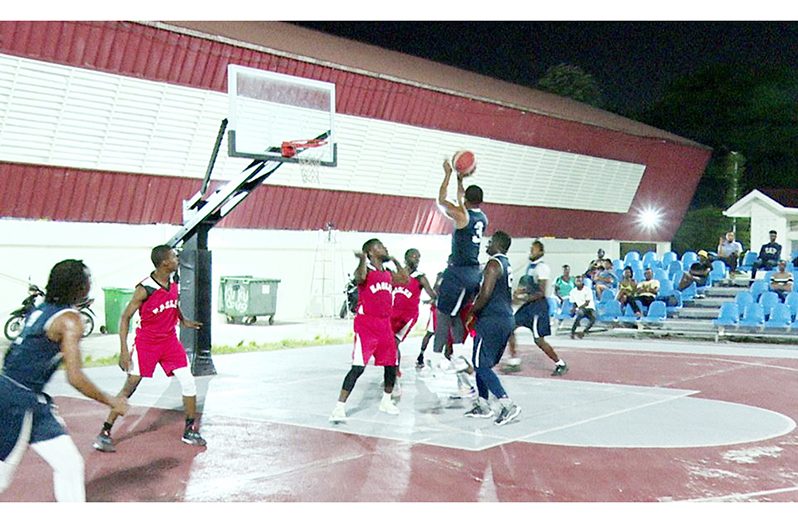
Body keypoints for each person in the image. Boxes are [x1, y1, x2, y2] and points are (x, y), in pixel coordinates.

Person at [1, 260, 128, 502]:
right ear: (79, 286)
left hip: (29, 399)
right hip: (16, 401)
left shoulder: (41, 308)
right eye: (87, 279)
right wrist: (111, 400)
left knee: (69, 465)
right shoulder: (70, 320)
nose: (91, 283)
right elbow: (75, 377)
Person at [93, 245, 205, 453]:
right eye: (174, 257)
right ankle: (105, 431)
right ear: (164, 263)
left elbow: (173, 302)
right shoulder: (145, 288)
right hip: (147, 343)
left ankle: (190, 430)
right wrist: (124, 351)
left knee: (188, 381)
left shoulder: (173, 281)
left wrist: (183, 320)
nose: (177, 259)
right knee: (131, 385)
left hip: (170, 341)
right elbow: (125, 317)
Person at [330, 239, 408, 422]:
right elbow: (359, 278)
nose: (385, 248)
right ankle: (339, 407)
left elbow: (404, 279)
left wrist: (395, 260)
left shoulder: (387, 272)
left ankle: (386, 400)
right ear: (371, 252)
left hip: (384, 325)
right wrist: (362, 259)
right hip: (367, 326)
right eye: (380, 246)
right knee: (358, 367)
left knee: (391, 364)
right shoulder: (366, 270)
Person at [428, 159, 487, 374]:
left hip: (458, 273)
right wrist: (460, 180)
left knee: (443, 313)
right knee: (455, 314)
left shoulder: (462, 215)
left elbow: (442, 200)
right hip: (472, 274)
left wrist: (447, 174)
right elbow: (463, 201)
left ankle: (435, 356)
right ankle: (460, 355)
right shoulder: (482, 217)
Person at [463, 231, 521, 426]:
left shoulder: (494, 264)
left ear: (497, 244)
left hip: (492, 319)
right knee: (483, 363)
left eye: (490, 241)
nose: (487, 244)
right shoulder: (507, 264)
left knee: (480, 364)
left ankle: (507, 404)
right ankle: (482, 403)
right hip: (505, 318)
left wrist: (472, 312)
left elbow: (485, 293)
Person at [507, 240, 568, 376]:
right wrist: (519, 292)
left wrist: (523, 298)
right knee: (510, 327)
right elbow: (527, 286)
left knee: (539, 340)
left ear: (540, 252)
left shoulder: (542, 268)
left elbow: (541, 292)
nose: (531, 251)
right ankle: (514, 361)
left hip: (538, 308)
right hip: (529, 306)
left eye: (533, 249)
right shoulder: (530, 267)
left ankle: (560, 363)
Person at [390, 248, 436, 394]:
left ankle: (395, 372)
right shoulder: (397, 274)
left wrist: (432, 299)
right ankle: (393, 370)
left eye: (418, 257)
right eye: (414, 256)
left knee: (394, 342)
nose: (416, 259)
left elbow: (433, 294)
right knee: (388, 343)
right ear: (406, 258)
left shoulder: (420, 277)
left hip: (408, 316)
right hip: (393, 313)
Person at [415, 271, 444, 369]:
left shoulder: (446, 276)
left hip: (442, 310)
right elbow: (435, 293)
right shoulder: (442, 276)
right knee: (431, 333)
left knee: (438, 334)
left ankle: (432, 357)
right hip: (438, 310)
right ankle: (422, 356)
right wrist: (432, 300)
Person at [568, 275, 596, 339]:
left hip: (589, 308)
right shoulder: (573, 292)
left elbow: (587, 303)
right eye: (577, 281)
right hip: (581, 309)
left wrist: (577, 308)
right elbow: (574, 303)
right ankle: (572, 331)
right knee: (579, 314)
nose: (578, 282)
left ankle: (584, 332)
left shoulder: (588, 290)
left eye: (580, 281)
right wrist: (573, 309)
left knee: (593, 318)